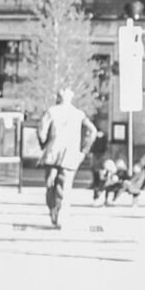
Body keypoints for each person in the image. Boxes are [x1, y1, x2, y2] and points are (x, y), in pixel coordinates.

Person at [36, 86, 96, 229]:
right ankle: (61, 216)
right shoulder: (78, 114)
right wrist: (83, 150)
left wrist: (44, 145)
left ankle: (53, 212)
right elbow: (92, 131)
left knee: (50, 185)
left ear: (58, 98)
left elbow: (41, 131)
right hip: (70, 155)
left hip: (52, 154)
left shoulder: (51, 111)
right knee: (65, 187)